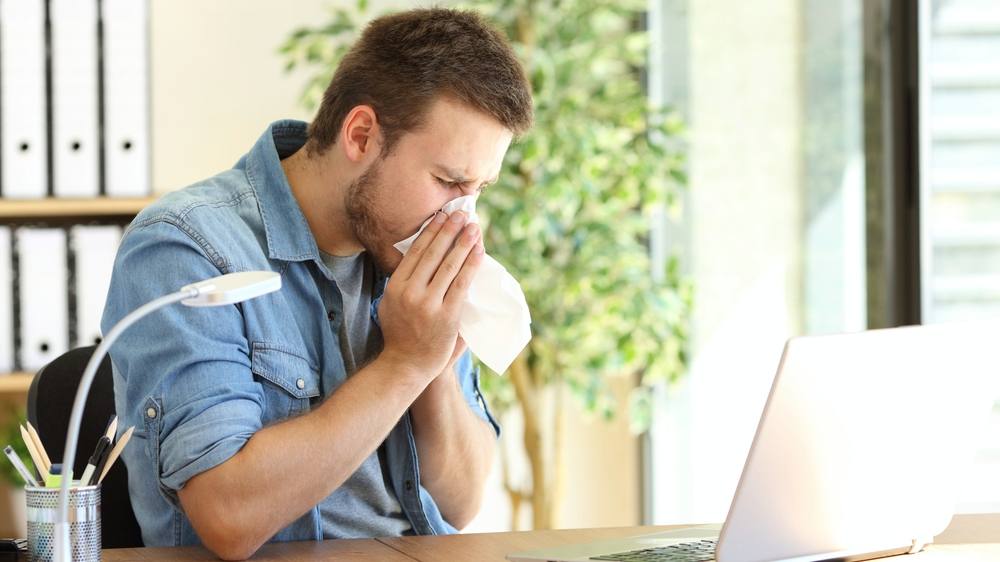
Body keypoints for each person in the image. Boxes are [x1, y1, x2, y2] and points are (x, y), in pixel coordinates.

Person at [101, 7, 533, 560]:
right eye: (450, 181)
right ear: (360, 135)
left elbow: (462, 501)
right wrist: (403, 364)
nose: (464, 217)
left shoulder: (408, 251)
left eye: (479, 189)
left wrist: (436, 367)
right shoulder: (186, 247)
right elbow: (229, 517)